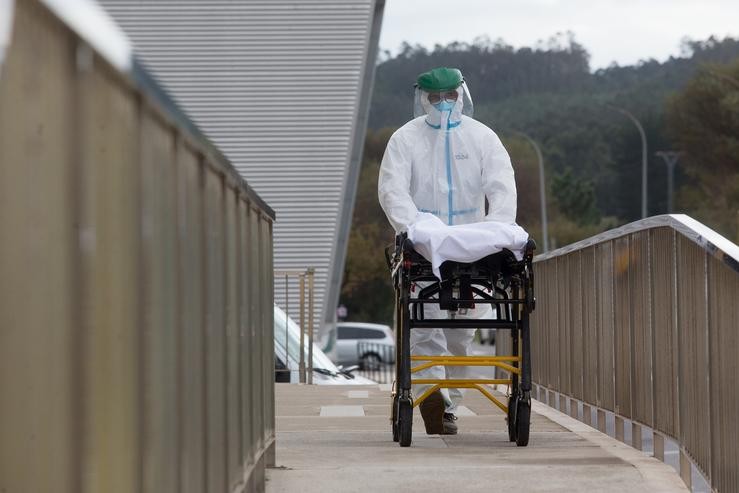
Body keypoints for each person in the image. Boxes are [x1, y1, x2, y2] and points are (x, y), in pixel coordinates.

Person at [378, 67, 517, 435]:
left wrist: (497, 230)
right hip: (426, 248)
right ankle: (434, 399)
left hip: (474, 247)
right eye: (435, 98)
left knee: (461, 333)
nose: (443, 104)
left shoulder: (482, 138)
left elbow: (501, 187)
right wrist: (417, 229)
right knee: (425, 329)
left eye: (449, 96)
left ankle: (449, 399)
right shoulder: (405, 140)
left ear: (461, 94)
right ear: (422, 98)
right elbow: (393, 190)